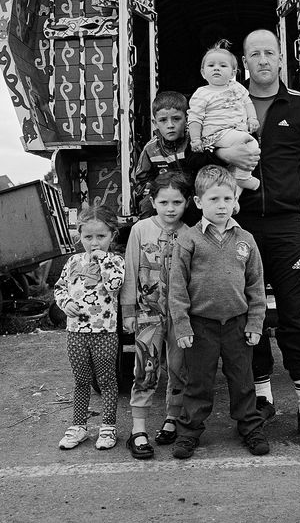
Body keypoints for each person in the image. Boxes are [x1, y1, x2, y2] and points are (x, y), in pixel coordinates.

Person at [220, 28, 300, 448]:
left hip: (289, 226)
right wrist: (222, 154)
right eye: (255, 54)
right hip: (239, 225)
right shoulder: (227, 105)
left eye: (270, 52)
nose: (263, 60)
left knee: (294, 315)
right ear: (244, 63)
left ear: (281, 59)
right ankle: (263, 399)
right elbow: (196, 151)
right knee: (247, 314)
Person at [167, 165, 269, 460]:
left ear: (235, 199)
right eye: (214, 199)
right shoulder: (189, 240)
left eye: (227, 198)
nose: (222, 205)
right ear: (198, 202)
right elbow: (177, 287)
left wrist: (255, 321)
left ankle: (250, 426)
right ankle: (189, 433)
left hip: (237, 324)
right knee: (198, 382)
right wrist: (183, 326)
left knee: (242, 380)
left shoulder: (245, 239)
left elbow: (256, 285)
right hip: (201, 326)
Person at [120, 171, 191, 460]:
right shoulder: (140, 230)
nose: (170, 208)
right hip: (147, 313)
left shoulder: (191, 233)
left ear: (187, 202)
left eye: (177, 202)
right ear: (153, 201)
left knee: (178, 368)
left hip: (179, 316)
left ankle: (172, 419)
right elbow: (129, 270)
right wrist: (128, 311)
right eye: (164, 202)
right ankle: (138, 430)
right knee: (145, 369)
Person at [53, 204, 125, 451]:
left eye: (101, 237)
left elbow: (115, 285)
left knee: (107, 380)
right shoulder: (73, 261)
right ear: (79, 236)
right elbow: (60, 287)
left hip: (104, 332)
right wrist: (66, 303)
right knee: (81, 380)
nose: (94, 243)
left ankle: (108, 426)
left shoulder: (115, 261)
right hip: (75, 333)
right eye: (88, 237)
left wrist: (103, 260)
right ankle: (79, 426)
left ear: (112, 236)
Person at [187, 39, 261, 200]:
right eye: (211, 65)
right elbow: (195, 118)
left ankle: (235, 198)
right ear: (202, 72)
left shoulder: (237, 88)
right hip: (217, 134)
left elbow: (247, 102)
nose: (216, 69)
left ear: (233, 73)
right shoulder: (202, 93)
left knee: (237, 163)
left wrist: (252, 118)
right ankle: (243, 178)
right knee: (251, 143)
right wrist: (195, 140)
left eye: (223, 66)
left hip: (235, 132)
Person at [132, 91, 213, 222]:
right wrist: (156, 189)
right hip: (165, 194)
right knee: (147, 204)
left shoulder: (195, 142)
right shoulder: (151, 149)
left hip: (193, 193)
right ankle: (149, 239)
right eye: (163, 120)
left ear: (187, 118)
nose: (170, 125)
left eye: (176, 119)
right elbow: (142, 179)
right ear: (155, 122)